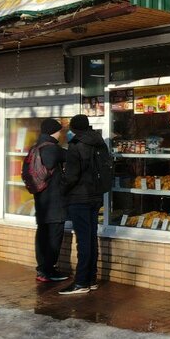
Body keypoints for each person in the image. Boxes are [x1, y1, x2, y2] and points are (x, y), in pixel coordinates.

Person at [58, 114, 107, 295]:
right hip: (95, 197)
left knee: (83, 242)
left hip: (79, 198)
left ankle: (81, 282)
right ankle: (91, 279)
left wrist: (62, 189)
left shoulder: (76, 146)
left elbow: (71, 176)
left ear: (74, 128)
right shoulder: (99, 142)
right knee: (91, 238)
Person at [33, 119, 68, 284]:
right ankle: (48, 271)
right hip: (54, 200)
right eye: (59, 131)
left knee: (42, 234)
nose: (61, 134)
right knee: (54, 235)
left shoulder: (36, 147)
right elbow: (72, 157)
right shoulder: (53, 149)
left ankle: (42, 269)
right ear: (53, 132)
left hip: (41, 200)